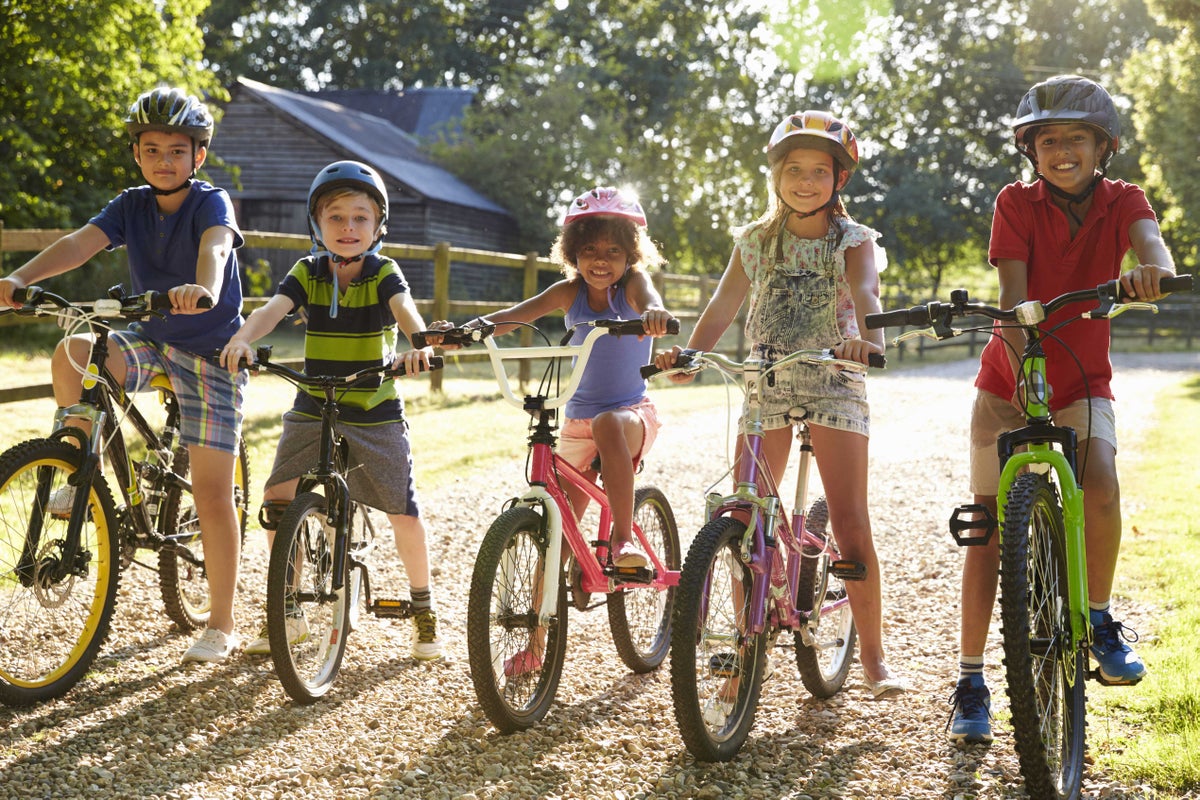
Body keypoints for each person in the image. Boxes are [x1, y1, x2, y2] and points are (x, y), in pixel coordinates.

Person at [948, 75, 1177, 744]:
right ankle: (969, 679)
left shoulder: (1124, 199)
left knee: (1100, 481)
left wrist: (1151, 273)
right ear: (1031, 151)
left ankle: (1100, 619)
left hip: (1082, 379)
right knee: (987, 528)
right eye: (1048, 141)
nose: (1062, 151)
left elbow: (1152, 246)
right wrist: (1023, 366)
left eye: (1076, 138)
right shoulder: (1014, 203)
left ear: (1102, 147)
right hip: (1006, 381)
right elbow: (1016, 297)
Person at [654, 110, 904, 699]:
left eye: (820, 171)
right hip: (766, 379)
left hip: (834, 377)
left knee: (848, 518)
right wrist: (691, 355)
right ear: (775, 175)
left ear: (839, 180)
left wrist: (870, 342)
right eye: (794, 169)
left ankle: (872, 655)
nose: (806, 181)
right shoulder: (755, 240)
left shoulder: (854, 241)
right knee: (747, 517)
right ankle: (742, 653)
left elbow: (867, 296)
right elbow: (721, 307)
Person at [0, 87, 248, 664]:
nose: (164, 159)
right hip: (153, 339)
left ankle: (222, 621)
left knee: (212, 492)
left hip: (211, 352)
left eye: (177, 150)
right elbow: (78, 245)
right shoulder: (131, 204)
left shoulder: (212, 204)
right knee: (74, 350)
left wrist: (203, 288)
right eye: (152, 148)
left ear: (198, 156)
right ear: (136, 154)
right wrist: (15, 283)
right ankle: (75, 461)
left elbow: (215, 249)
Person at [220, 160, 443, 661]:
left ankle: (424, 608)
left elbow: (406, 311)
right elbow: (270, 311)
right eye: (336, 217)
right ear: (316, 225)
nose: (348, 228)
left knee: (401, 508)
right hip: (314, 401)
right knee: (278, 497)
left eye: (360, 218)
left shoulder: (385, 271)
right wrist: (240, 338)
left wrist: (419, 344)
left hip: (374, 405)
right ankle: (289, 608)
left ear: (378, 226)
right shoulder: (309, 271)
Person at [442, 186, 674, 570]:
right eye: (589, 252)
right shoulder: (569, 292)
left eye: (613, 252)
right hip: (579, 421)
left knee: (608, 424)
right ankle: (540, 616)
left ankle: (623, 540)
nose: (600, 262)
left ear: (630, 255)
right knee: (559, 538)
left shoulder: (633, 284)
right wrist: (464, 333)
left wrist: (654, 314)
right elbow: (513, 317)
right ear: (573, 253)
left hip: (629, 413)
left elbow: (651, 299)